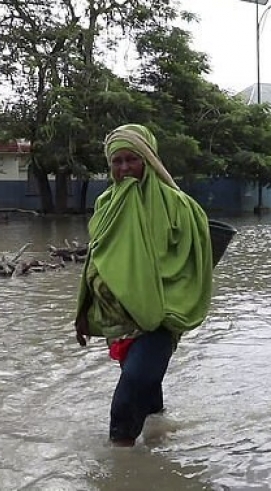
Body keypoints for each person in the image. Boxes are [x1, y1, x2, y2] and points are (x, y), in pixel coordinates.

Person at [74, 124, 213, 447]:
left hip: (163, 314)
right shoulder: (107, 204)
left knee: (131, 388)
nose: (124, 169)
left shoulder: (180, 207)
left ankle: (119, 464)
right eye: (116, 162)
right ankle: (158, 443)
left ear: (148, 160)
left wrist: (170, 301)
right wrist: (82, 311)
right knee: (148, 390)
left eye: (131, 160)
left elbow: (195, 263)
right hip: (120, 318)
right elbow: (96, 261)